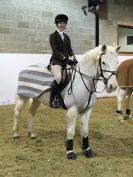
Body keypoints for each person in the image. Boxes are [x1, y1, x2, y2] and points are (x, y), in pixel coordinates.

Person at [49, 14, 78, 108]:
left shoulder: (67, 37)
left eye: (63, 23)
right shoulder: (52, 36)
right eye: (60, 23)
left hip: (66, 62)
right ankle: (52, 99)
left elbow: (70, 50)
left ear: (65, 25)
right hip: (56, 61)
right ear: (57, 24)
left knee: (72, 76)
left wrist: (74, 58)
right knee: (58, 77)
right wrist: (65, 59)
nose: (61, 25)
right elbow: (55, 51)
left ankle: (66, 96)